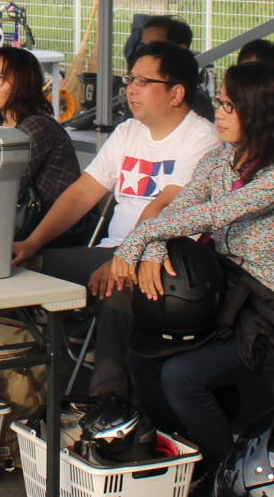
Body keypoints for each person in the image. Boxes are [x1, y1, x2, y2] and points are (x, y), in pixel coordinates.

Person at [115, 62, 274, 497]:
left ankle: (227, 474)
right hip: (226, 302)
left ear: (258, 110)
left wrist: (140, 241)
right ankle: (182, 452)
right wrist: (151, 251)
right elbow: (174, 213)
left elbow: (213, 214)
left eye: (229, 105)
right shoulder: (220, 159)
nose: (219, 113)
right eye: (221, 103)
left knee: (181, 375)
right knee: (142, 357)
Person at [11, 41, 221, 397]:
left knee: (117, 287)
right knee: (16, 265)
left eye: (143, 81)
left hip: (163, 263)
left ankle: (106, 406)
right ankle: (34, 382)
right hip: (109, 252)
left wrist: (125, 258)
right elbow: (81, 193)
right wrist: (32, 242)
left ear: (176, 93)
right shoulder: (127, 132)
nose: (131, 88)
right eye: (130, 79)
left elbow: (165, 209)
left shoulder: (202, 137)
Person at [0, 45, 82, 241]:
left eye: (1, 78)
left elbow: (6, 187)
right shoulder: (0, 124)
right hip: (20, 227)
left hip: (55, 236)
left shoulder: (36, 126)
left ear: (24, 83)